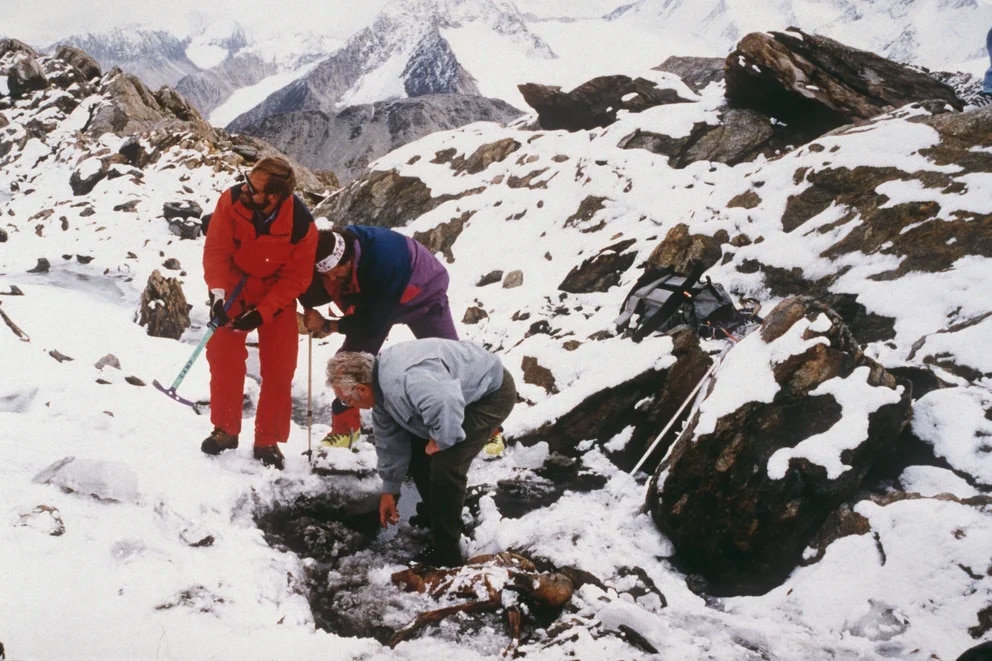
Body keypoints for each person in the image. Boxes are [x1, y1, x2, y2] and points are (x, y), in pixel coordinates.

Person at [326, 339, 516, 567]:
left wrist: (443, 440)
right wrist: (390, 489)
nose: (349, 405)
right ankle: (435, 515)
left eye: (347, 401)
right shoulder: (381, 392)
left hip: (489, 394)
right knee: (417, 451)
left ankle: (447, 552)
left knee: (447, 463)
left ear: (362, 389)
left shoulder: (405, 379)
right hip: (454, 396)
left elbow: (444, 399)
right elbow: (390, 442)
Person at [200, 156, 318, 469]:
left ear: (274, 196)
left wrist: (262, 312)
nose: (245, 188)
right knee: (223, 356)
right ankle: (226, 430)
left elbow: (297, 278)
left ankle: (268, 440)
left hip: (276, 293)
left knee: (280, 368)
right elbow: (217, 249)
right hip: (235, 283)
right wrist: (217, 295)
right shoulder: (232, 199)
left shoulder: (302, 226)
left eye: (254, 187)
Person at [297, 226, 461, 449]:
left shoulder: (384, 261)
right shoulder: (328, 253)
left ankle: (488, 428)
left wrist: (326, 324)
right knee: (346, 365)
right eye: (327, 275)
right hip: (372, 299)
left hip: (423, 295)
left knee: (450, 362)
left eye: (338, 272)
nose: (333, 278)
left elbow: (370, 326)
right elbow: (312, 290)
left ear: (350, 259)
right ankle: (346, 430)